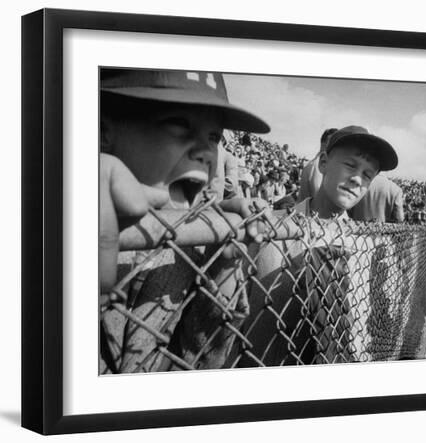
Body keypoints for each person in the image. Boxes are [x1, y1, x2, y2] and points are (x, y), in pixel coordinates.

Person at [99, 68, 271, 373]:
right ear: (101, 131)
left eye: (214, 136)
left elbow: (196, 363)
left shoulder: (195, 242)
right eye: (179, 123)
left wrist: (223, 264)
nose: (205, 151)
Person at [238, 125, 399, 367]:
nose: (357, 179)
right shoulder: (271, 227)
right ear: (323, 162)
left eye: (368, 174)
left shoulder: (361, 244)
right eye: (350, 165)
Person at [296, 128, 337, 203]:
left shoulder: (317, 163)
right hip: (309, 212)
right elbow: (319, 198)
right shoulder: (317, 165)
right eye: (333, 141)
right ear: (323, 143)